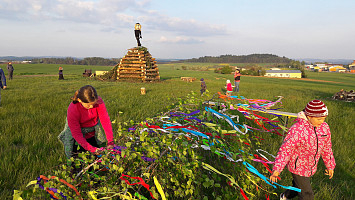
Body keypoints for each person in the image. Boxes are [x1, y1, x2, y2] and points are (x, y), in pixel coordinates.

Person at [270, 100, 336, 200]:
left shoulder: (324, 128)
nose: (322, 121)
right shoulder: (297, 129)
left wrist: (330, 165)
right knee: (307, 194)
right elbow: (286, 150)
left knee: (298, 187)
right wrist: (277, 169)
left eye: (324, 118)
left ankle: (285, 196)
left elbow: (327, 148)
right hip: (297, 167)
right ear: (309, 116)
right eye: (318, 119)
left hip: (311, 166)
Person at [58, 85, 115, 159]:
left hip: (91, 131)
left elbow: (105, 121)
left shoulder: (98, 101)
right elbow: (77, 134)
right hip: (77, 136)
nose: (91, 107)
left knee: (96, 158)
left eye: (93, 104)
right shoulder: (73, 109)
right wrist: (92, 149)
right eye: (88, 105)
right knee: (77, 158)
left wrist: (110, 141)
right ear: (80, 100)